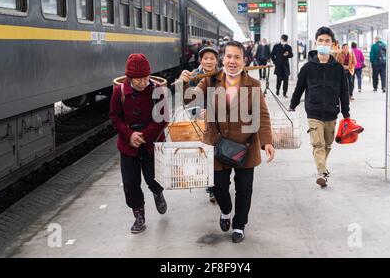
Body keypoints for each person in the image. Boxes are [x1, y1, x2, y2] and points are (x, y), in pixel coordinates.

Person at [179, 41, 275, 243]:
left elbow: (263, 116)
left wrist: (267, 142)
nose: (232, 61)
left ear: (244, 60)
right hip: (217, 145)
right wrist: (185, 82)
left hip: (246, 146)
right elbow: (190, 99)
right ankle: (226, 210)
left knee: (244, 189)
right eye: (229, 57)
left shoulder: (253, 85)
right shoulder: (210, 81)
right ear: (223, 59)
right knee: (219, 186)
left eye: (237, 57)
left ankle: (239, 225)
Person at [109, 54, 168, 234]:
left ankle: (158, 193)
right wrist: (129, 135)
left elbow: (163, 118)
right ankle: (139, 216)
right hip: (128, 144)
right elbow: (115, 117)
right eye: (138, 79)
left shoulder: (157, 90)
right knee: (130, 182)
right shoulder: (119, 92)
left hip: (152, 141)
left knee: (152, 178)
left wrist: (144, 135)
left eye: (145, 77)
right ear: (129, 77)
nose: (142, 82)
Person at [289, 27, 350, 188]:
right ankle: (322, 173)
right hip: (314, 113)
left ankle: (322, 166)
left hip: (331, 113)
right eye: (320, 41)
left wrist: (346, 113)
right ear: (316, 43)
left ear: (332, 44)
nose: (323, 43)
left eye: (327, 41)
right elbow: (299, 89)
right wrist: (292, 106)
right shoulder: (307, 68)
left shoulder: (338, 69)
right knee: (318, 144)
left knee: (328, 144)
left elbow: (344, 92)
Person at [189, 46, 220, 204]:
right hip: (199, 118)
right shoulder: (194, 75)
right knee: (205, 154)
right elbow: (190, 97)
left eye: (212, 58)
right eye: (205, 58)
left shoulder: (223, 75)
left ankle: (217, 186)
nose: (208, 61)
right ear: (200, 60)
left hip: (219, 121)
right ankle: (211, 187)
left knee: (217, 154)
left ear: (217, 60)